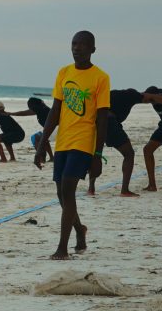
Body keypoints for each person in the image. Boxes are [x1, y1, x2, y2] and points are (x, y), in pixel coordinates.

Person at [34, 30, 110, 260]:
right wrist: (42, 142)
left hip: (84, 140)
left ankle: (62, 249)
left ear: (92, 49)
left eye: (83, 45)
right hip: (63, 140)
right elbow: (55, 110)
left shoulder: (101, 77)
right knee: (61, 194)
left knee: (68, 189)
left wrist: (97, 154)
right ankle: (79, 229)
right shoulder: (64, 72)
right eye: (74, 44)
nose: (77, 48)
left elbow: (102, 118)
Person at [87, 88, 162, 197]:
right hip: (109, 122)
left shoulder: (111, 94)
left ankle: (91, 189)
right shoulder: (132, 95)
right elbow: (151, 98)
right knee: (129, 154)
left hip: (93, 123)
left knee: (96, 154)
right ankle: (124, 190)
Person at [6, 97, 53, 162]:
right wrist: (11, 113)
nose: (29, 108)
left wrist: (11, 113)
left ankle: (41, 159)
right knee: (42, 137)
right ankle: (51, 158)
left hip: (55, 131)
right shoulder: (42, 109)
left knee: (35, 137)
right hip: (53, 131)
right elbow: (24, 113)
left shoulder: (41, 110)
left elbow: (24, 113)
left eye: (30, 106)